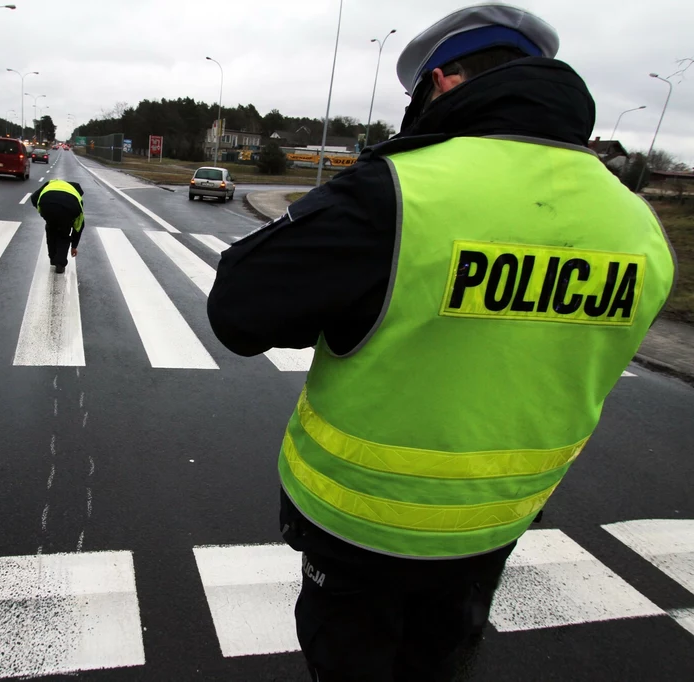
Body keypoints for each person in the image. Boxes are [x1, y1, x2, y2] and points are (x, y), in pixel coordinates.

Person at [206, 4, 677, 681]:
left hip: (360, 534)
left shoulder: (399, 189)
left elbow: (239, 310)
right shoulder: (639, 225)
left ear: (446, 85)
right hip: (494, 528)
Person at [30, 178, 85, 273]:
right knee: (64, 235)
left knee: (51, 230)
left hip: (47, 204)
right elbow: (79, 225)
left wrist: (43, 211)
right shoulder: (76, 197)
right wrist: (74, 246)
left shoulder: (51, 183)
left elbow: (33, 198)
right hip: (68, 210)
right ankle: (60, 263)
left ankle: (52, 258)